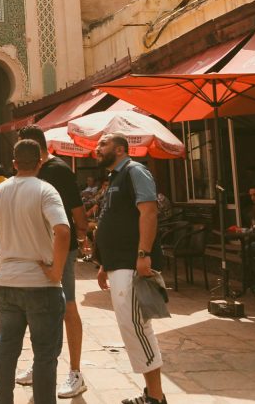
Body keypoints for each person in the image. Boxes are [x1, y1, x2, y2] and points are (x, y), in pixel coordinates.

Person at [0, 139, 70, 404]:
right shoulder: (46, 190)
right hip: (41, 285)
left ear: (14, 163)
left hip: (8, 283)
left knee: (6, 349)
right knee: (45, 355)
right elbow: (63, 231)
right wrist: (57, 271)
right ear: (40, 162)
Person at [17, 124, 89, 398]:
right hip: (39, 251)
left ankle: (75, 372)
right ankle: (42, 366)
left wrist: (82, 234)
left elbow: (77, 211)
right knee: (41, 311)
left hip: (61, 250)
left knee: (67, 307)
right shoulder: (34, 171)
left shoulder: (57, 170)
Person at [94, 133, 166, 404]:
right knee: (131, 327)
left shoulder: (135, 171)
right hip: (118, 264)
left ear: (121, 149)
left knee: (136, 326)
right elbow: (115, 220)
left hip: (132, 263)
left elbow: (148, 212)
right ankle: (151, 394)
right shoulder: (114, 178)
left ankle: (156, 398)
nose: (97, 149)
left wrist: (143, 254)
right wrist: (104, 263)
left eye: (103, 144)